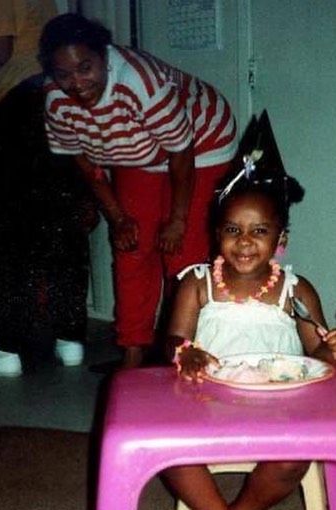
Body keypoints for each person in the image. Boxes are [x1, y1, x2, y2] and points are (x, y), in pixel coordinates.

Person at [163, 159, 336, 510]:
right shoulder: (197, 283)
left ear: (281, 238)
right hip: (206, 404)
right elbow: (174, 340)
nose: (245, 242)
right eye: (233, 230)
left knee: (293, 460)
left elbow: (318, 354)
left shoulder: (295, 289)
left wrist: (334, 348)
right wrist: (186, 351)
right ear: (216, 234)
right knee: (169, 450)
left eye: (259, 231)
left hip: (277, 409)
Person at [38, 13, 238, 369]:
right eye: (64, 74)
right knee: (131, 246)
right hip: (137, 151)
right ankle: (133, 350)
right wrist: (118, 218)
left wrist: (177, 220)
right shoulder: (55, 98)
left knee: (182, 253)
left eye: (85, 68)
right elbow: (84, 161)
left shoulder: (139, 82)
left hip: (201, 142)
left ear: (104, 55)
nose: (76, 83)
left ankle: (183, 350)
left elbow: (181, 153)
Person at [0, 0, 97, 376]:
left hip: (15, 105)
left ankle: (5, 348)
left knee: (11, 235)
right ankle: (70, 339)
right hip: (50, 97)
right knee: (60, 227)